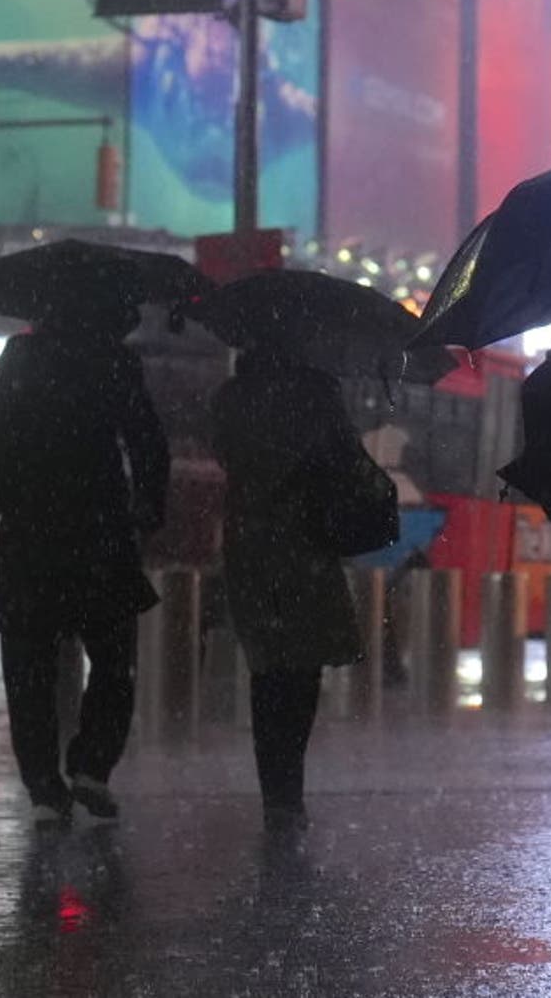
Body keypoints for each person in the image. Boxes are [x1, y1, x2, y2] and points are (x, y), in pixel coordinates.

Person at [0, 285, 168, 825]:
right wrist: (148, 506)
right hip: (99, 525)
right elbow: (146, 438)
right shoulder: (115, 360)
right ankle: (92, 765)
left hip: (30, 524)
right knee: (111, 659)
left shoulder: (20, 355)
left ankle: (42, 789)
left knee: (28, 665)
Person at [211, 345, 394, 832]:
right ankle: (289, 792)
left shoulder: (230, 397)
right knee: (302, 666)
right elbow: (345, 458)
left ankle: (276, 793)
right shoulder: (316, 394)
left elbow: (223, 453)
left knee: (267, 663)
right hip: (305, 541)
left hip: (247, 540)